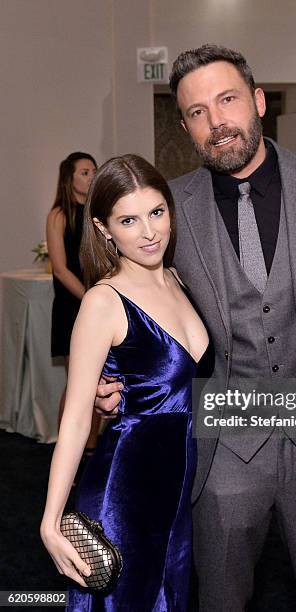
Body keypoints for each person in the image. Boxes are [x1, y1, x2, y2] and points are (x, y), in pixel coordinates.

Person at [95, 45, 296, 611]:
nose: (216, 121)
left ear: (256, 101)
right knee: (220, 600)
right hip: (223, 443)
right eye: (197, 112)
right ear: (185, 125)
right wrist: (115, 380)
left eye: (226, 100)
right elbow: (136, 305)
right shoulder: (169, 206)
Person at [41, 154, 211, 611]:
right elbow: (76, 420)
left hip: (177, 488)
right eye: (129, 220)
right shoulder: (103, 301)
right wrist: (51, 519)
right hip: (125, 489)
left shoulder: (178, 279)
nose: (150, 232)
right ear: (103, 228)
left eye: (157, 212)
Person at [46, 152, 101, 464]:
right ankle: (66, 453)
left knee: (98, 382)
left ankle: (91, 449)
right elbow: (59, 269)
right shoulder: (58, 215)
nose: (91, 175)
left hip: (97, 305)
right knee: (78, 383)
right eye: (84, 171)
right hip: (73, 306)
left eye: (93, 169)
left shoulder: (99, 213)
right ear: (69, 178)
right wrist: (90, 298)